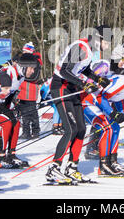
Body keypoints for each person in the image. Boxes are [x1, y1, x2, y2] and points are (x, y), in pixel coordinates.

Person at [45, 25, 112, 185]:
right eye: (107, 42)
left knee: (81, 129)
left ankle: (72, 167)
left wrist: (97, 79)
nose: (108, 46)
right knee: (71, 129)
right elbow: (65, 71)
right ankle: (53, 168)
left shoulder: (89, 51)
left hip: (71, 87)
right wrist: (84, 84)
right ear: (98, 39)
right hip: (60, 86)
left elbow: (84, 69)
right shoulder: (79, 47)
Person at [0, 53, 41, 169]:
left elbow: (10, 96)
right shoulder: (8, 72)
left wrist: (16, 106)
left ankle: (11, 155)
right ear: (24, 67)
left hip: (1, 104)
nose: (32, 71)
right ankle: (1, 158)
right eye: (31, 68)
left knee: (16, 124)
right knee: (6, 124)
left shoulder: (21, 77)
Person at [17, 42, 43, 140]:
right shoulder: (28, 60)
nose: (23, 53)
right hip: (25, 89)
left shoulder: (35, 61)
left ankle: (34, 131)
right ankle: (27, 131)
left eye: (24, 51)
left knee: (30, 111)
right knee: (25, 111)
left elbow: (33, 77)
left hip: (30, 89)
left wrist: (22, 77)